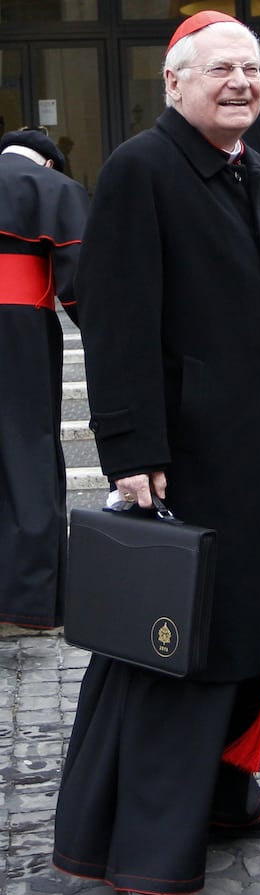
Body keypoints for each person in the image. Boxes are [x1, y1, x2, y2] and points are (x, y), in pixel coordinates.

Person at [52, 10, 260, 895]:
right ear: (174, 82)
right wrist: (129, 450)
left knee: (247, 637)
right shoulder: (141, 169)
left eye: (251, 70)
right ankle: (144, 862)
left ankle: (222, 793)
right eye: (220, 69)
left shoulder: (254, 170)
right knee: (176, 659)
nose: (240, 83)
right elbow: (115, 319)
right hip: (183, 459)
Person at [0, 127, 88, 632]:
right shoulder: (54, 188)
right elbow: (81, 283)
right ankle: (26, 599)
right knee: (27, 451)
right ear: (49, 162)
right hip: (22, 330)